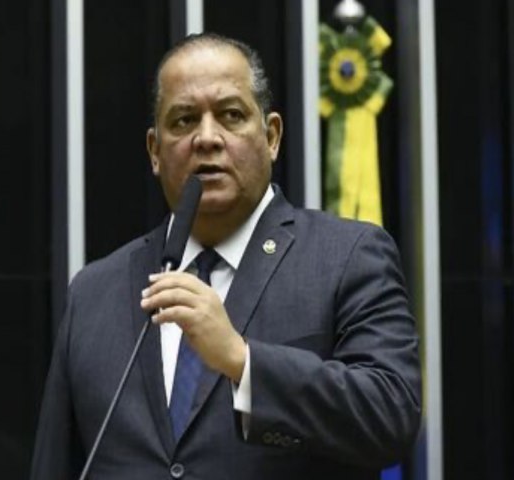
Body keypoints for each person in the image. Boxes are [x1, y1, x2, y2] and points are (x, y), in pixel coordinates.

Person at [30, 33, 421, 480]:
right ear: (155, 152)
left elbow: (391, 414)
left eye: (231, 115)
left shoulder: (347, 257)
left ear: (271, 137)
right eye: (184, 121)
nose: (207, 138)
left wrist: (243, 360)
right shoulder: (94, 291)